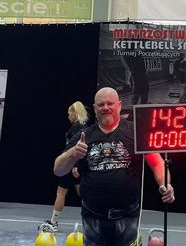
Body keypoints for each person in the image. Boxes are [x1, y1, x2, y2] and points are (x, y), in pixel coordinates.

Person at [54, 87, 175, 246]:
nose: (105, 107)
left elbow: (157, 162)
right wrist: (73, 153)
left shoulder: (136, 132)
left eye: (110, 103)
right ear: (95, 108)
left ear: (119, 105)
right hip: (92, 216)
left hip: (128, 216)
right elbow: (58, 169)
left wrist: (165, 184)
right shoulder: (83, 137)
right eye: (101, 104)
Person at [46, 101, 89, 231]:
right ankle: (91, 223)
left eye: (69, 113)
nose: (68, 116)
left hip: (72, 165)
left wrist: (75, 166)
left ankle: (54, 223)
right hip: (72, 165)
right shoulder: (79, 126)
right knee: (81, 195)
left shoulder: (79, 128)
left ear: (75, 113)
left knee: (64, 192)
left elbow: (79, 148)